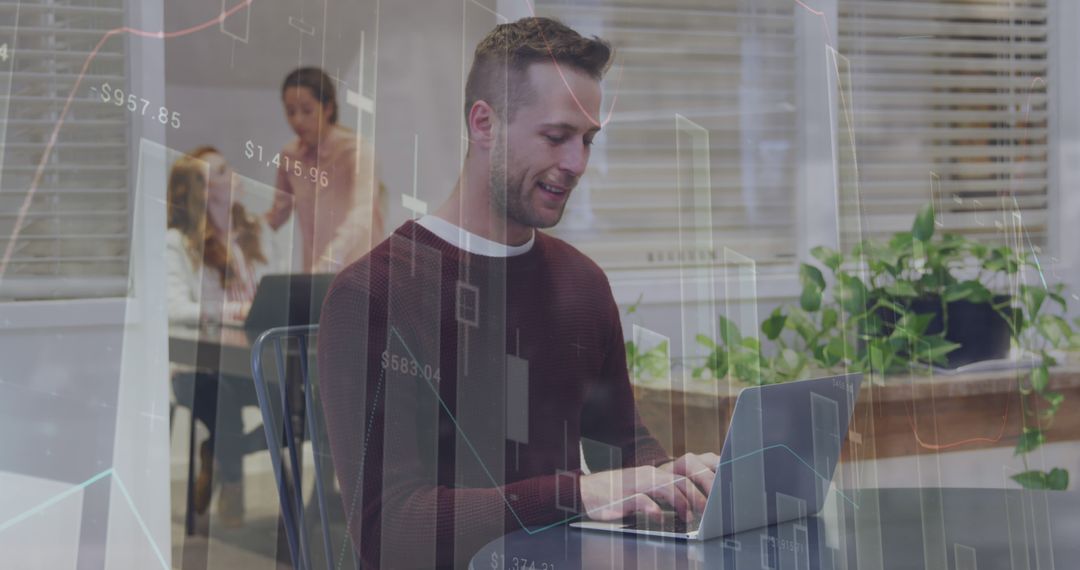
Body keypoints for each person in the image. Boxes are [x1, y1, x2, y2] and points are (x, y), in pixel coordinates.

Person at [318, 18, 718, 568]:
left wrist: (672, 480)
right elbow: (389, 533)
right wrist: (575, 494)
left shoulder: (583, 285)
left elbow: (622, 448)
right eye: (556, 137)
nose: (577, 164)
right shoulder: (374, 294)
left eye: (587, 140)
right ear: (484, 124)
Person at [166, 146, 280, 527]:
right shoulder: (176, 244)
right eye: (221, 172)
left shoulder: (252, 234)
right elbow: (174, 309)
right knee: (221, 398)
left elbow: (275, 291)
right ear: (200, 189)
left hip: (251, 363)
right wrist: (230, 312)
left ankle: (217, 453)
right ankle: (232, 482)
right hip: (198, 368)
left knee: (294, 401)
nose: (233, 176)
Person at [266, 66, 385, 273]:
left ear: (328, 108)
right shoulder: (290, 155)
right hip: (315, 273)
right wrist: (239, 231)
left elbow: (362, 213)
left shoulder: (356, 150)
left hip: (358, 271)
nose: (297, 120)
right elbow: (278, 213)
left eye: (307, 110)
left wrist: (330, 260)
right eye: (290, 111)